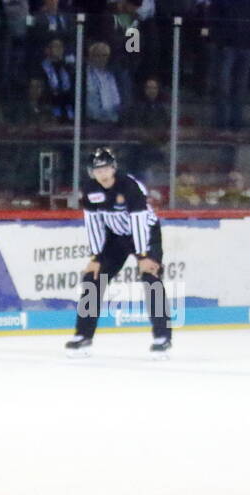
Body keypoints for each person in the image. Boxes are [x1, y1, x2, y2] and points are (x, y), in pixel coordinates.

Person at [65, 147, 172, 355]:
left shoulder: (129, 186)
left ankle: (162, 337)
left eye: (105, 168)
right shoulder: (90, 190)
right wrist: (96, 257)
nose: (102, 174)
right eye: (97, 170)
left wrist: (143, 256)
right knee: (92, 277)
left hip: (145, 234)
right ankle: (83, 335)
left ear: (113, 168)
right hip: (115, 237)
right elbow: (93, 223)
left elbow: (139, 221)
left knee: (151, 276)